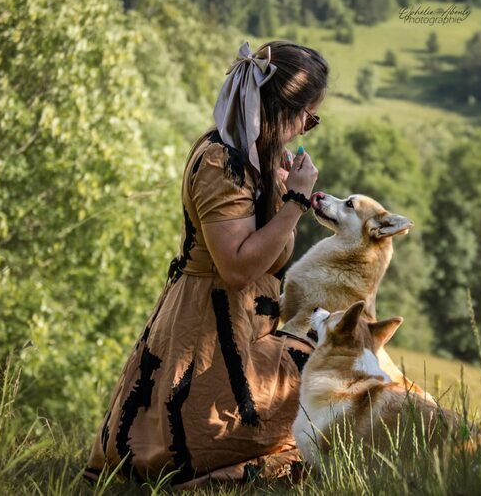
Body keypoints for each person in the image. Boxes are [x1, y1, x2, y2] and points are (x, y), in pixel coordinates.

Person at [83, 40, 328, 489]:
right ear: (281, 110)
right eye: (308, 118)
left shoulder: (256, 161)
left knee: (337, 377)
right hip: (210, 333)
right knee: (322, 408)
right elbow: (236, 269)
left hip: (244, 325)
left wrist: (279, 192)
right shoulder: (222, 162)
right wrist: (294, 202)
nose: (306, 129)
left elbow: (273, 258)